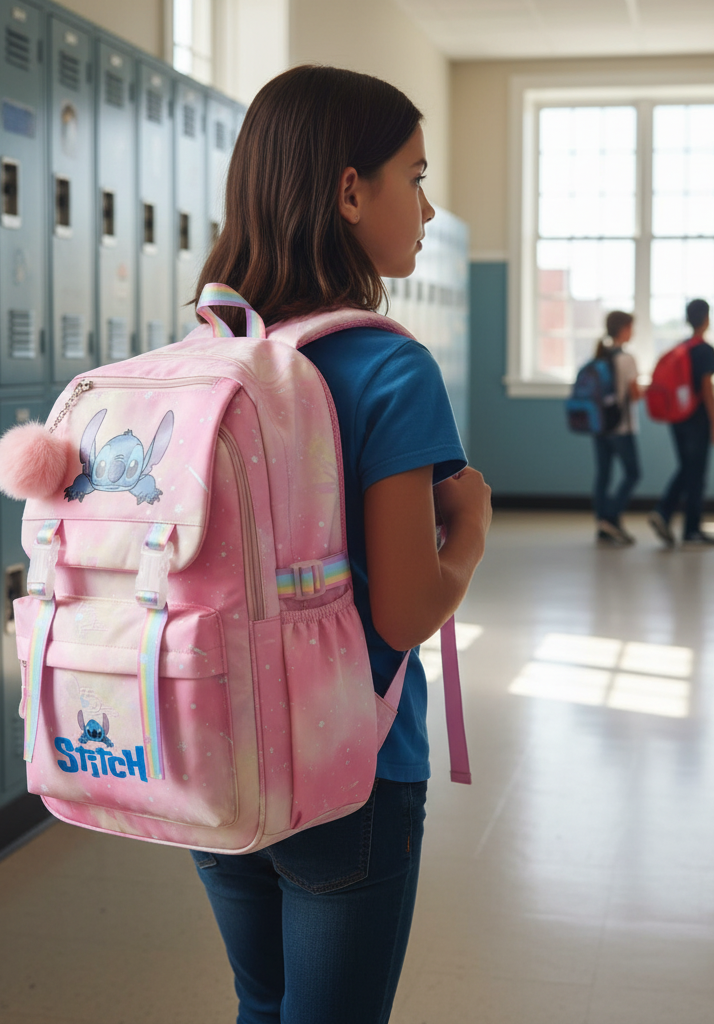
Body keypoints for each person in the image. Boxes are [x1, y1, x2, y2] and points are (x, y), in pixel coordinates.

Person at [187, 66, 493, 1024]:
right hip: (343, 772)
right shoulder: (387, 364)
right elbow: (404, 612)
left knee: (260, 1001)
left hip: (211, 745)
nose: (429, 205)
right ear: (351, 190)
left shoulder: (208, 351)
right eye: (415, 175)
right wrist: (472, 531)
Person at [648, 298, 714, 548]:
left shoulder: (681, 348)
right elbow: (707, 389)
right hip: (697, 419)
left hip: (677, 418)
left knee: (686, 468)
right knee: (697, 474)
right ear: (706, 318)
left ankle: (666, 514)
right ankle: (689, 529)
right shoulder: (704, 350)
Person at [592, 311, 641, 546]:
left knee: (604, 475)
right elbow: (635, 394)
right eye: (631, 327)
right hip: (622, 427)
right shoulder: (627, 359)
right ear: (623, 329)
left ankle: (603, 524)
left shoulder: (600, 356)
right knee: (633, 473)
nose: (633, 332)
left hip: (600, 426)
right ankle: (611, 519)